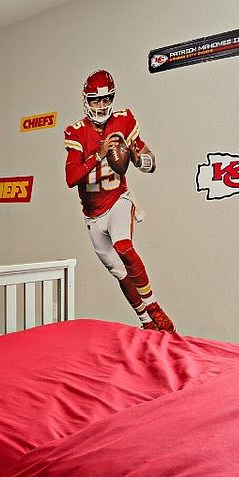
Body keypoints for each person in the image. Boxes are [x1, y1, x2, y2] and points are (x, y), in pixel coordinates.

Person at [63, 69, 175, 332]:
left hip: (118, 199)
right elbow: (71, 178)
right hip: (92, 215)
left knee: (123, 246)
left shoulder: (123, 120)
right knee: (119, 272)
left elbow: (151, 163)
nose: (101, 106)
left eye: (105, 99)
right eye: (95, 100)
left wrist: (136, 158)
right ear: (86, 101)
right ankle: (146, 322)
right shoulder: (76, 132)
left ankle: (154, 307)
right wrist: (99, 154)